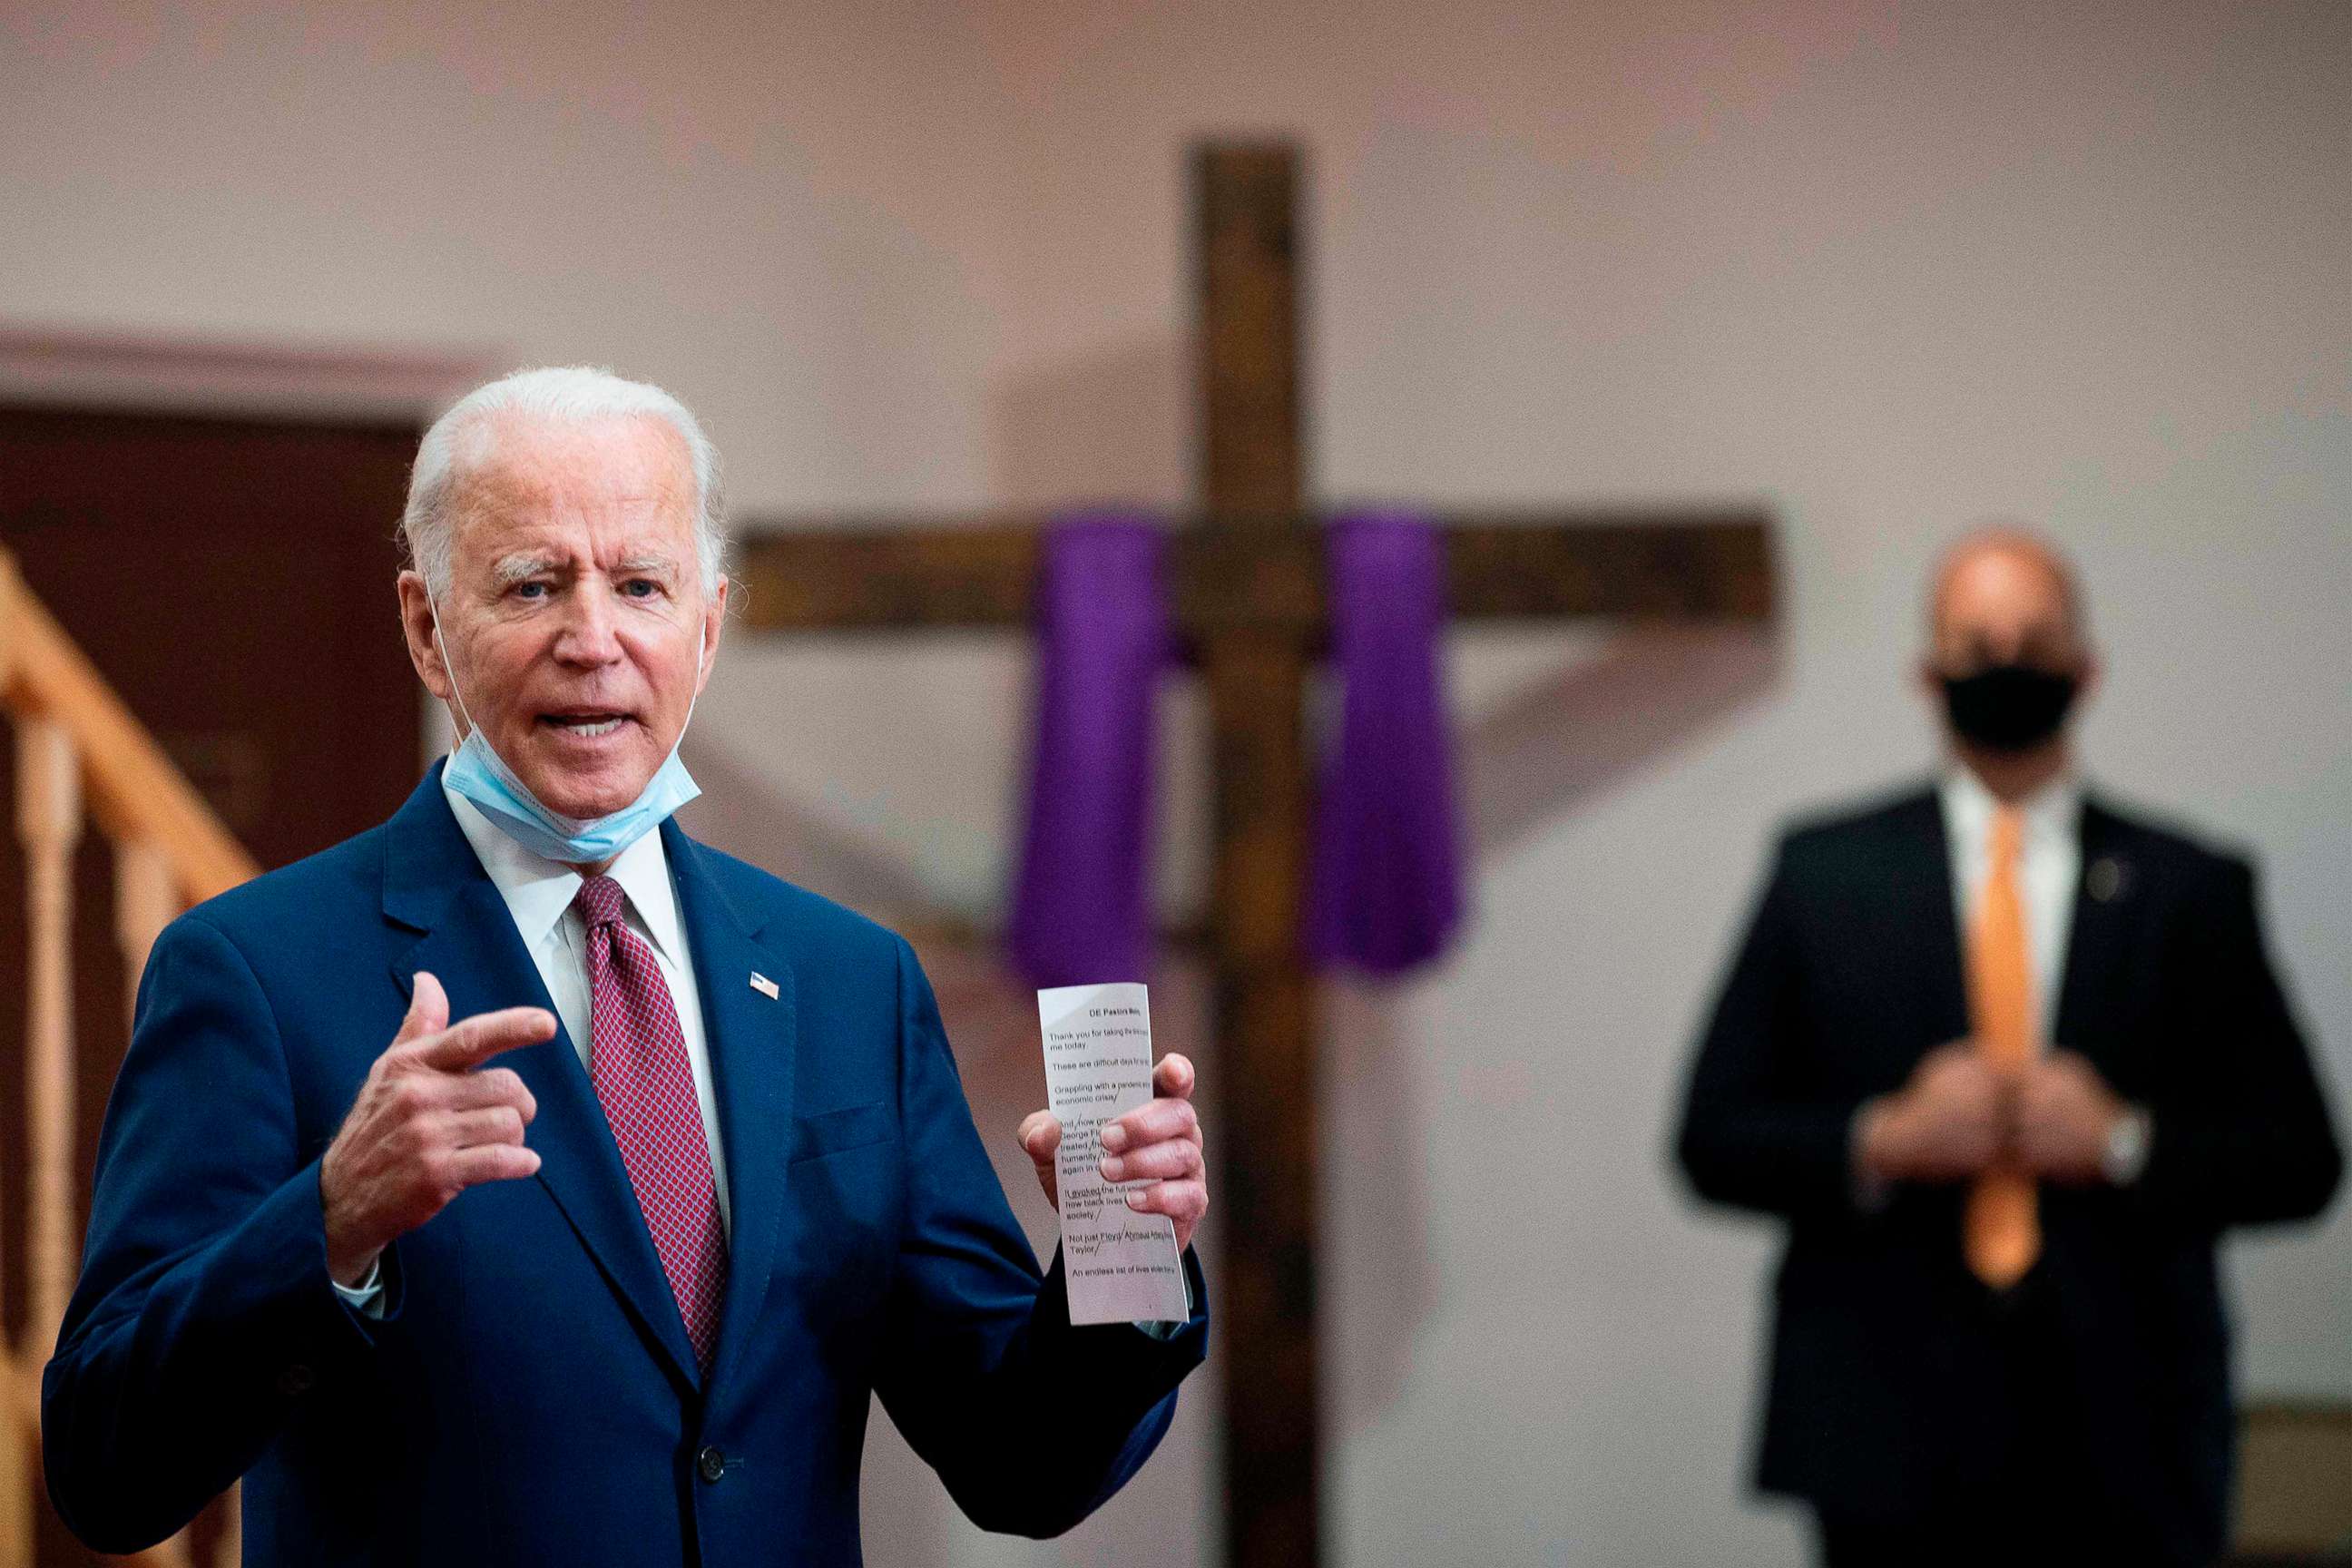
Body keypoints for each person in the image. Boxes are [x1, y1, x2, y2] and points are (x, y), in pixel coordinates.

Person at [43, 367, 1211, 1565]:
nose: (591, 641)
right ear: (425, 626)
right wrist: (330, 1224)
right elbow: (106, 1470)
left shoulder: (850, 981)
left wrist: (1127, 1255)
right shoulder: (253, 971)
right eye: (530, 586)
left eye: (640, 587)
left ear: (704, 631)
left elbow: (1020, 1463)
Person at [1675, 527, 2341, 1567]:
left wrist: (2124, 1142)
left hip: (2131, 1426)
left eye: (2034, 638)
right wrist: (1882, 1138)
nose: (2006, 662)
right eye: (1976, 641)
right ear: (1927, 672)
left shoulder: (2189, 888)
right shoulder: (1822, 876)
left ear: (2086, 669)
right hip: (1886, 1426)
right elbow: (1711, 1137)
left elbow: (2302, 1158)